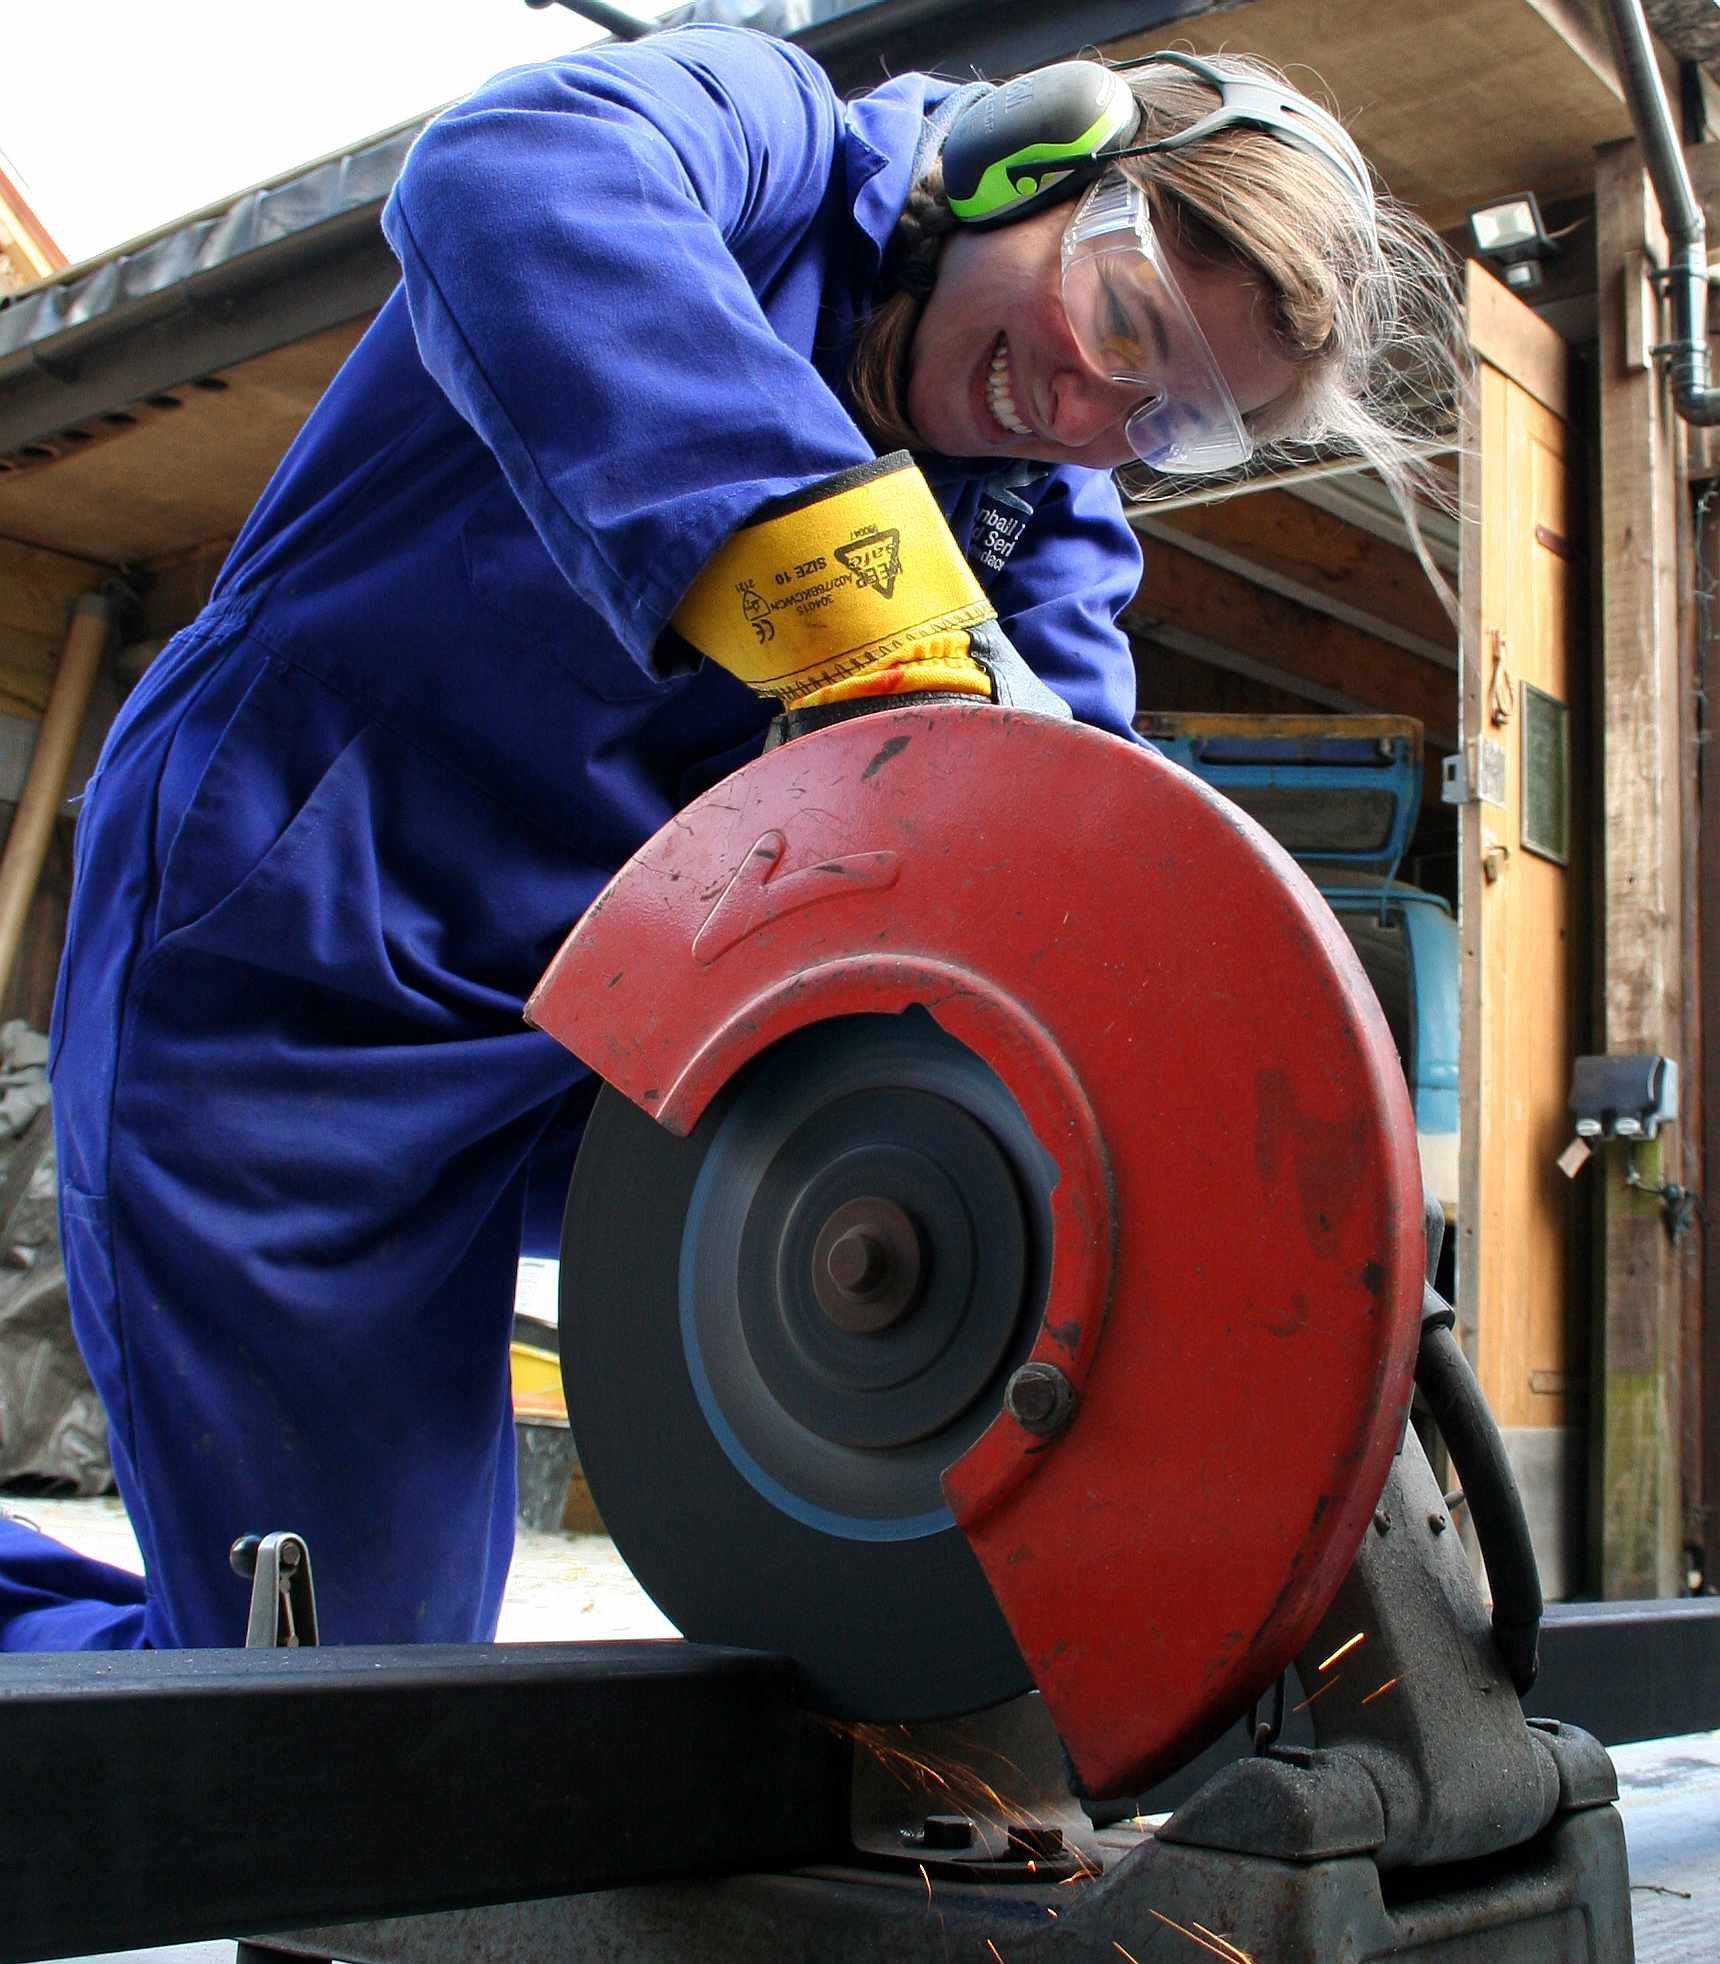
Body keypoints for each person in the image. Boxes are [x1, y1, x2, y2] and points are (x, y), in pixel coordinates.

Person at [0, 23, 1464, 1650]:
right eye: (1121, 320)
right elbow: (507, 176)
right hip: (295, 958)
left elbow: (1079, 870)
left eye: (1172, 418)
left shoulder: (1045, 525)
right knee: (324, 1682)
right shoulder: (763, 144)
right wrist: (852, 593)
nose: (1087, 411)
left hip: (606, 1031)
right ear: (1031, 161)